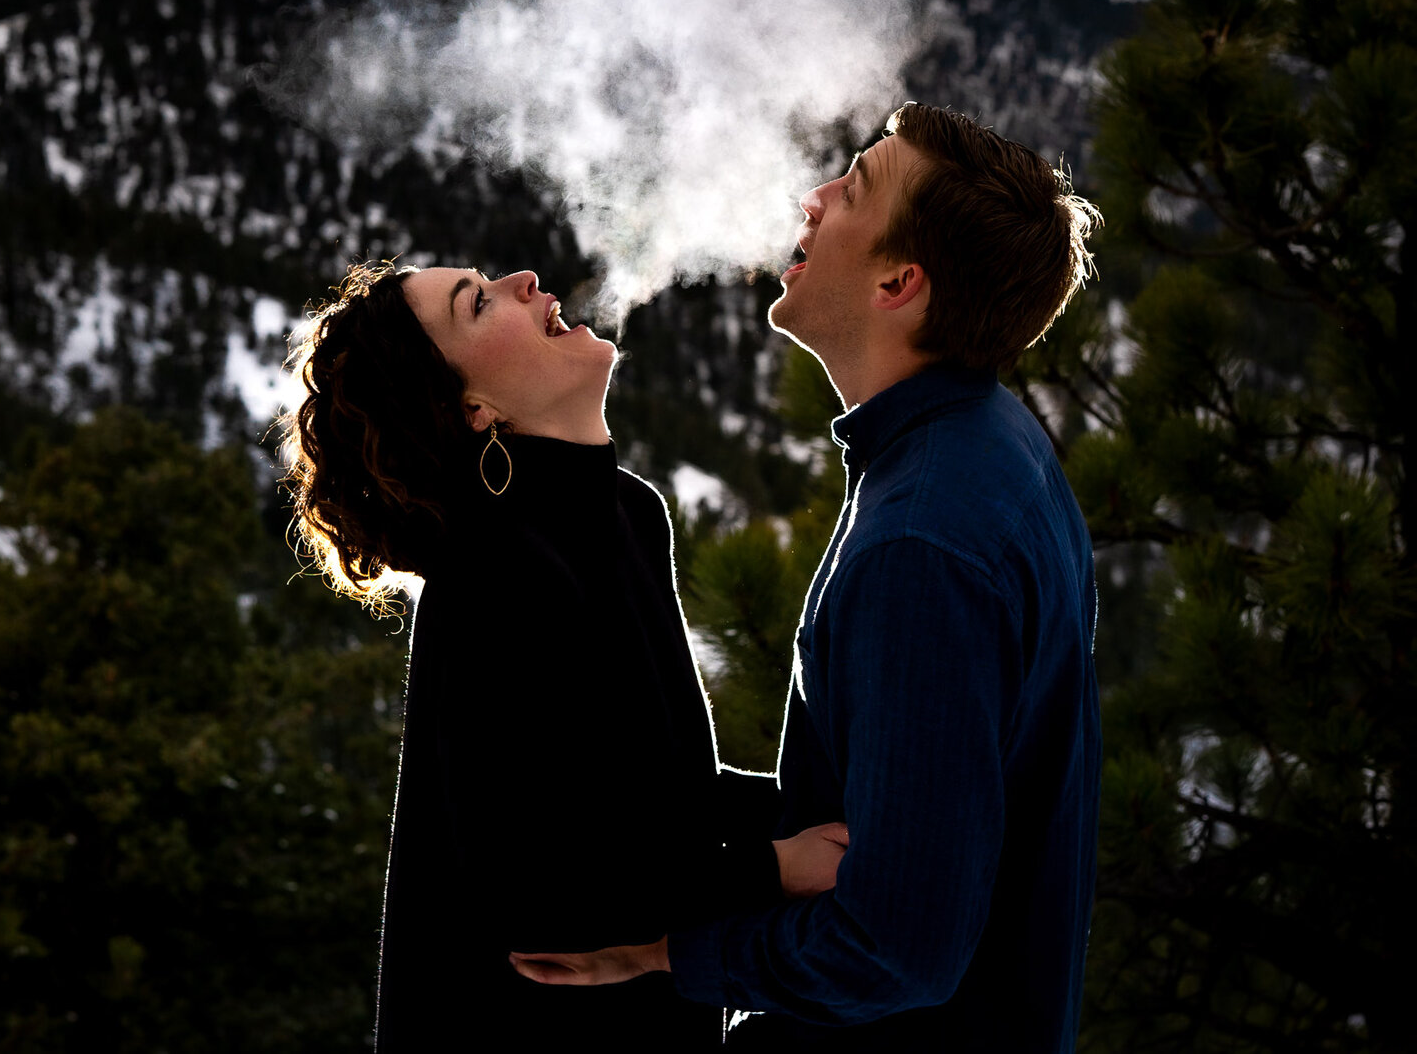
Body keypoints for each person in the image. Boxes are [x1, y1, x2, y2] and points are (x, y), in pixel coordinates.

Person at [508, 103, 1105, 1051]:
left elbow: (894, 948)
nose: (815, 197)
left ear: (898, 281)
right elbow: (893, 815)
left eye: (854, 187)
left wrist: (669, 947)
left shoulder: (920, 546)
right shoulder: (989, 446)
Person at [281, 260, 851, 1051]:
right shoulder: (486, 575)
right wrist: (771, 868)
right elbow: (540, 896)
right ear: (474, 408)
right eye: (476, 303)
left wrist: (824, 808)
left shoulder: (630, 514)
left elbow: (652, 794)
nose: (522, 278)